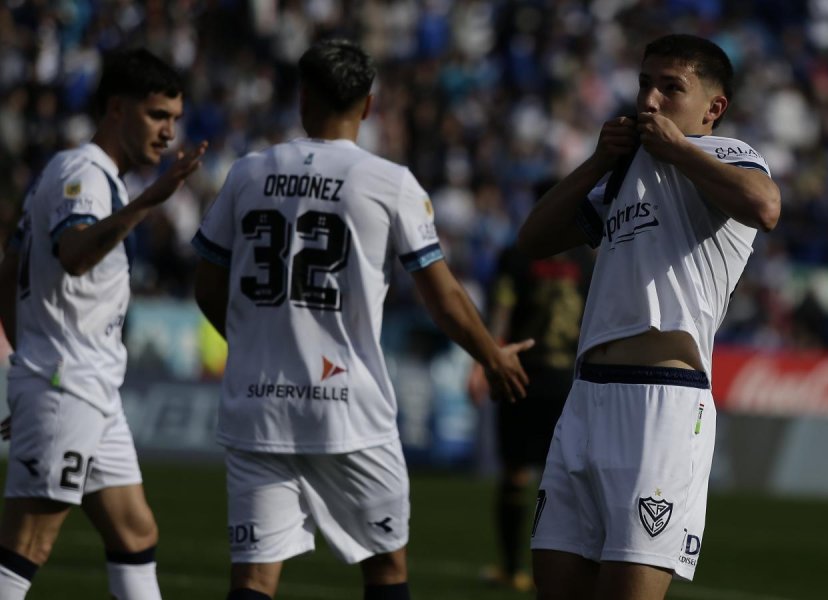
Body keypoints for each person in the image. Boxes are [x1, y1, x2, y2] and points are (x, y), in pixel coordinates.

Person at [191, 38, 533, 600]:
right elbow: (443, 296)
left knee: (253, 579)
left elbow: (208, 286)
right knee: (385, 568)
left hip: (258, 403)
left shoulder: (247, 173)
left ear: (302, 99)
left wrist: (256, 342)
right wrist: (491, 354)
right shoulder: (388, 182)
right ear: (369, 106)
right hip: (347, 409)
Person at [518, 34, 781, 600]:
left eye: (671, 88)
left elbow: (766, 207)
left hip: (663, 400)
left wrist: (676, 149)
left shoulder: (722, 155)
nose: (650, 101)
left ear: (713, 108)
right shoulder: (620, 174)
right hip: (587, 396)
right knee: (555, 586)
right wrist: (596, 162)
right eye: (644, 84)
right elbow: (533, 239)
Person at [0, 48, 206, 599]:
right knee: (26, 546)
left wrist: (27, 366)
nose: (168, 133)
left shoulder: (79, 173)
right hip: (68, 385)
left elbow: (10, 265)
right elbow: (74, 254)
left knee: (135, 531)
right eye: (157, 116)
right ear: (117, 109)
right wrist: (148, 202)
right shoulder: (84, 174)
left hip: (83, 386)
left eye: (174, 120)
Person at [473, 180, 594, 593]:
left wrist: (485, 360)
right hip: (571, 378)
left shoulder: (519, 252)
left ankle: (511, 567)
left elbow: (502, 313)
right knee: (570, 478)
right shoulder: (587, 258)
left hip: (522, 374)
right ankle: (581, 566)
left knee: (515, 474)